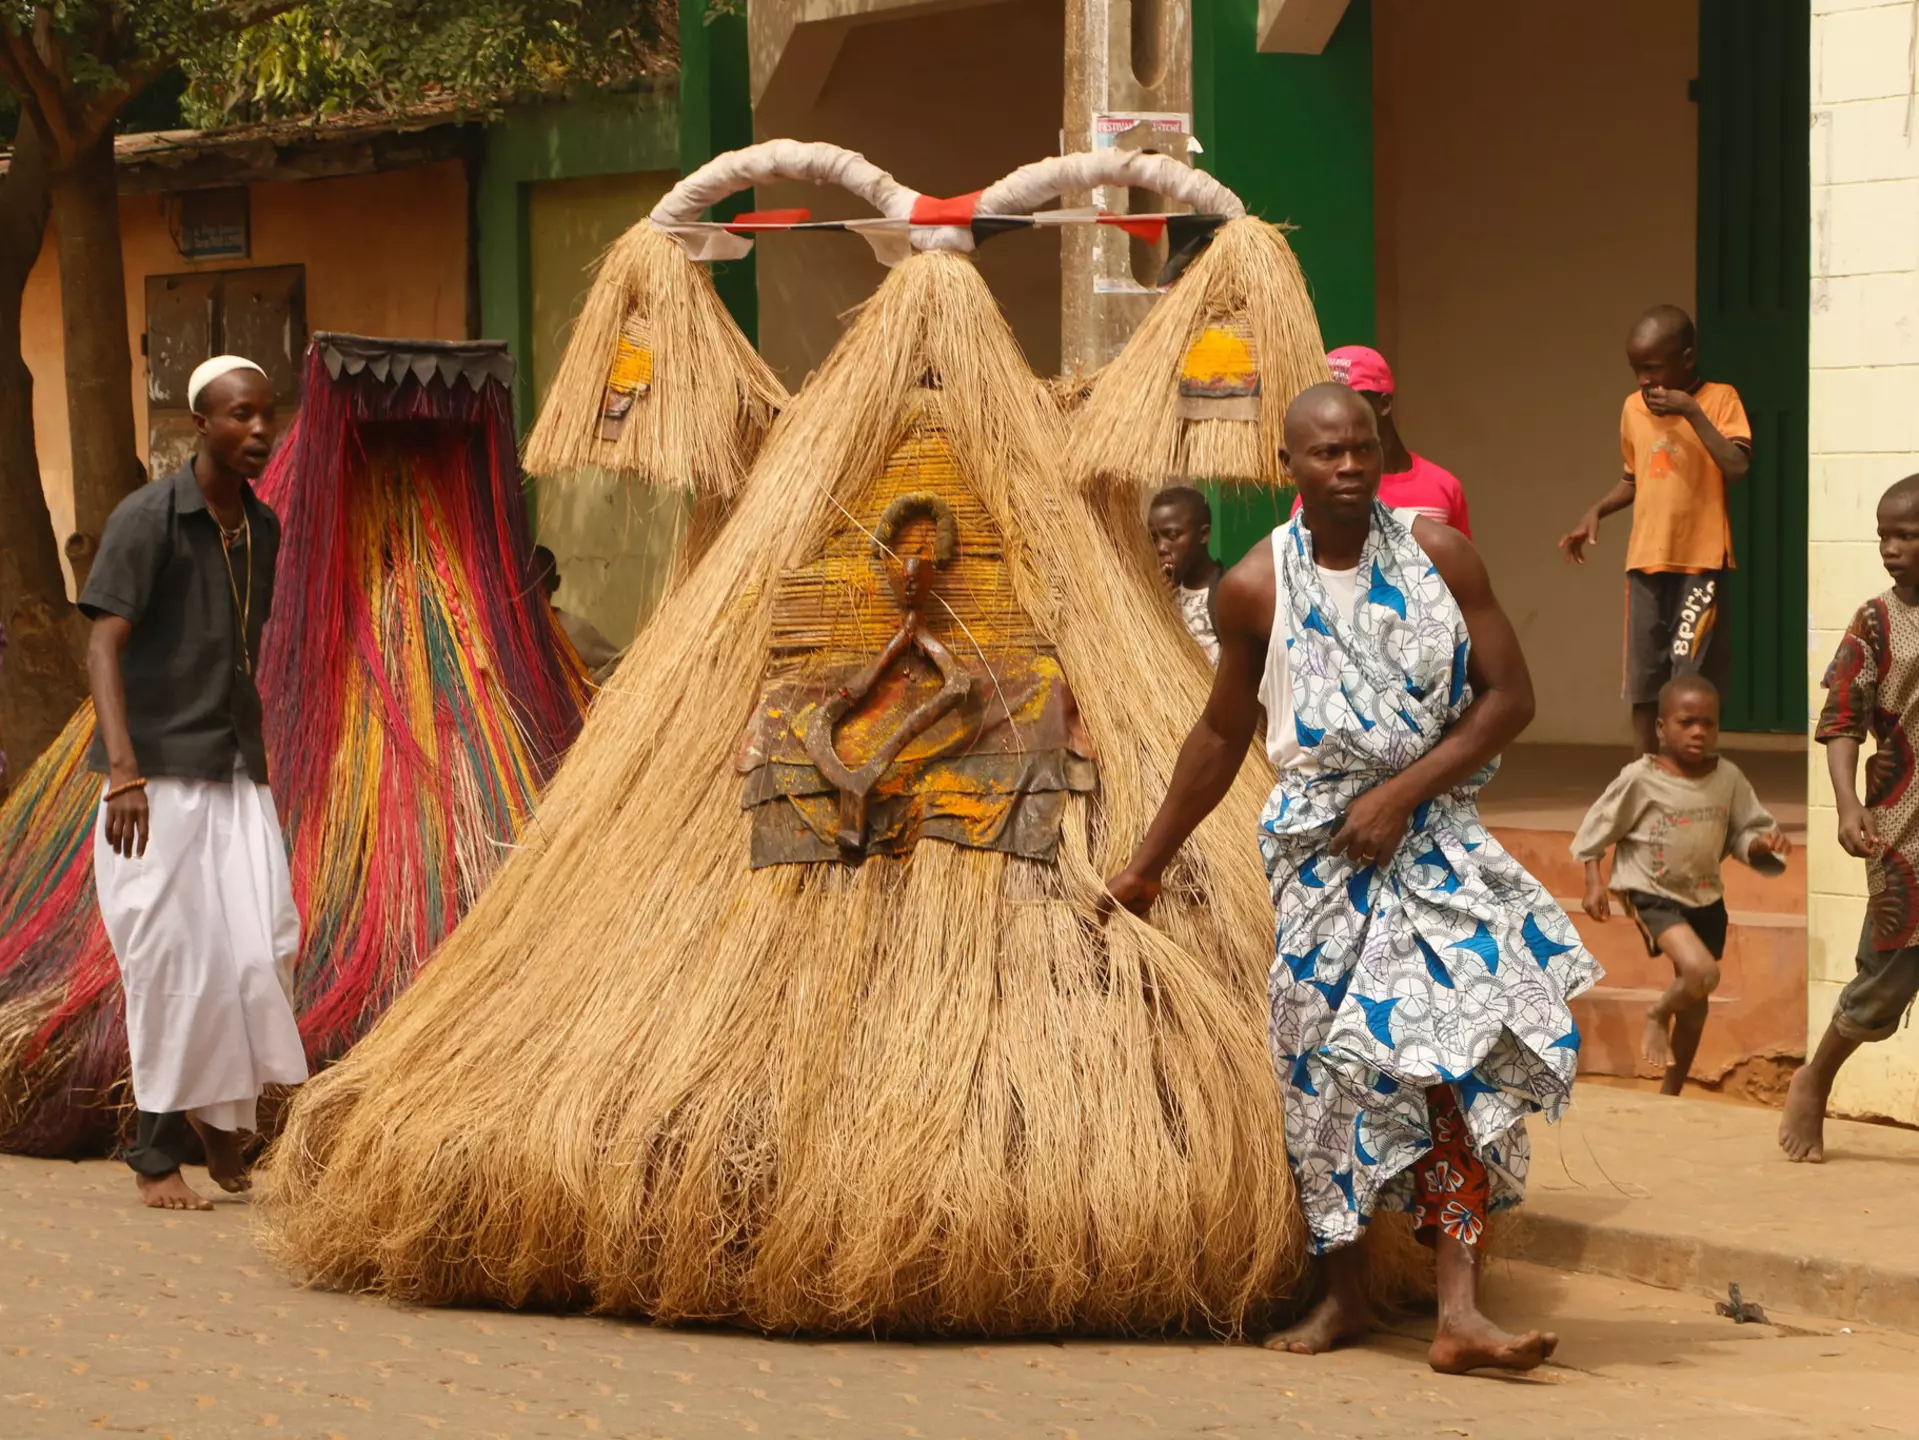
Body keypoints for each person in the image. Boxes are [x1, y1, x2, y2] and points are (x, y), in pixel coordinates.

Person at [1107, 384, 1597, 1374]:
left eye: (1360, 449)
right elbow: (1221, 733)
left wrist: (1401, 796)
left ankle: (1459, 1312)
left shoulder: (1437, 553)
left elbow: (1509, 698)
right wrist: (1146, 865)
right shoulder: (1254, 586)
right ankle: (1344, 1295)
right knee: (1323, 1069)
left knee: (1455, 1054)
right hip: (1318, 856)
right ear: (1286, 464)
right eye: (1325, 452)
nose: (1346, 467)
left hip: (1434, 840)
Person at [81, 355, 308, 1212]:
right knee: (172, 960)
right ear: (202, 424)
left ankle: (220, 1121)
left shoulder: (262, 528)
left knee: (260, 949)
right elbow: (103, 645)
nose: (259, 429)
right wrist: (124, 774)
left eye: (267, 414)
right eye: (240, 415)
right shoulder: (148, 518)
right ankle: (155, 1153)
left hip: (236, 765)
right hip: (154, 778)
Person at [1783, 473, 1919, 1162]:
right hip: (1904, 834)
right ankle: (1815, 1078)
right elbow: (1842, 720)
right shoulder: (1874, 622)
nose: (1890, 548)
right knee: (1887, 978)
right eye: (1883, 536)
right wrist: (1846, 803)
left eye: (1906, 535)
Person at [1572, 676, 1789, 1096]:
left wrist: (1762, 844)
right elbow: (1599, 825)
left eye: (1708, 723)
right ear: (1661, 727)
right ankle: (1657, 1013)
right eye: (1686, 722)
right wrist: (1593, 881)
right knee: (1700, 971)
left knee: (1696, 1003)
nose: (1698, 732)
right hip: (1650, 890)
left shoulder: (1728, 778)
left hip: (1704, 895)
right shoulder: (1641, 778)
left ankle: (1670, 1094)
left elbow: (1744, 832)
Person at [1557, 306, 1752, 755]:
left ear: (1687, 358)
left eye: (1653, 367)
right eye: (1635, 369)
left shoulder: (1720, 399)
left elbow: (1737, 466)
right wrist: (1597, 509)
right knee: (1644, 683)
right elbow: (1634, 478)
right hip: (1646, 562)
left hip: (1700, 562)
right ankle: (1645, 775)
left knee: (1689, 680)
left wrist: (1691, 411)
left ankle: (1688, 778)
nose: (1643, 379)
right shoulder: (1632, 408)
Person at [1288, 345, 1471, 535]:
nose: (1337, 413)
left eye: (1352, 401)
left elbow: (1458, 554)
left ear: (1383, 404)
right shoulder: (1319, 495)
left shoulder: (1443, 487)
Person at [1148, 485, 1225, 664]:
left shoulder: (1225, 593)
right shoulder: (1163, 593)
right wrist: (1157, 605)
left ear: (1203, 535)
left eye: (1172, 536)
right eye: (1154, 539)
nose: (1161, 548)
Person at [532, 544, 623, 683]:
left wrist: (586, 684)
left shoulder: (572, 629)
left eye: (539, 584)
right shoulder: (511, 633)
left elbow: (619, 664)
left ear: (556, 583)